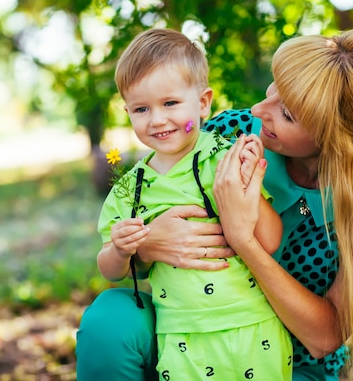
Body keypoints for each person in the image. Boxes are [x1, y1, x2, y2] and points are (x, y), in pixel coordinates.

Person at [76, 28, 353, 381]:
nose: (257, 109)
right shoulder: (232, 133)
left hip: (291, 362)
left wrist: (244, 240)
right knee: (110, 320)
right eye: (273, 90)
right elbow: (153, 204)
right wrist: (147, 243)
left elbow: (323, 337)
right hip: (191, 334)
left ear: (336, 139)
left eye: (286, 113)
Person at [94, 28, 293, 381]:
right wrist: (122, 250)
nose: (157, 119)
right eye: (141, 109)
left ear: (203, 103)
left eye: (170, 103)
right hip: (182, 337)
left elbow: (272, 239)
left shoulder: (225, 160)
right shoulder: (130, 190)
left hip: (253, 326)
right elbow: (112, 269)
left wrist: (251, 183)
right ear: (127, 112)